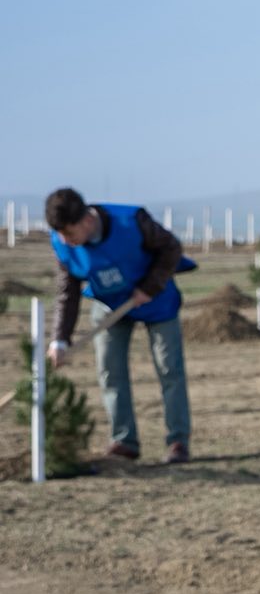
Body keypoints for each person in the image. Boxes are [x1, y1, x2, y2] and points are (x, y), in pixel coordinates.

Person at [44, 187, 195, 463]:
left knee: (169, 369)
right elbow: (68, 291)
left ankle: (178, 441)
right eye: (60, 234)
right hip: (109, 305)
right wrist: (60, 339)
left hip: (156, 300)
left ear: (87, 221)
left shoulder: (132, 221)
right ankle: (124, 441)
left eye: (69, 233)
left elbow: (171, 248)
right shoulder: (63, 244)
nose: (65, 240)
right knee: (110, 371)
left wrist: (149, 287)